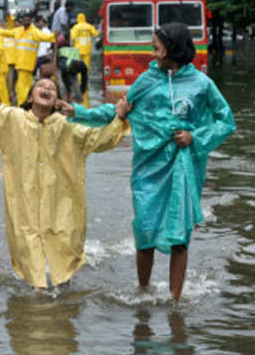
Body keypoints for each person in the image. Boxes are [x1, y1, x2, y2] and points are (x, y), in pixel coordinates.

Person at [59, 22, 236, 301]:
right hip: (148, 167)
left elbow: (226, 121)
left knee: (179, 235)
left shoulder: (202, 84)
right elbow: (118, 110)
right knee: (145, 229)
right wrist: (77, 112)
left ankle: (175, 300)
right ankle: (143, 292)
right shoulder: (146, 80)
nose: (152, 54)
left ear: (172, 49)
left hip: (184, 166)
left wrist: (195, 136)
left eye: (156, 48)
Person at [0, 76, 131, 289]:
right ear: (31, 96)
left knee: (64, 266)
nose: (47, 89)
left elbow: (100, 139)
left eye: (52, 88)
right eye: (41, 86)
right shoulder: (12, 120)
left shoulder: (69, 127)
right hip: (25, 209)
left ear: (58, 101)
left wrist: (119, 118)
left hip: (62, 208)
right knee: (33, 279)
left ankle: (59, 305)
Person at [0, 11, 56, 106]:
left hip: (27, 65)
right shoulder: (18, 31)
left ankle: (22, 106)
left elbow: (47, 37)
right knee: (28, 86)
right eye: (24, 19)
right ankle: (30, 105)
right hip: (20, 65)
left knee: (21, 88)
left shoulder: (35, 32)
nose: (26, 21)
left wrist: (55, 35)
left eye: (28, 19)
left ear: (31, 20)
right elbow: (6, 32)